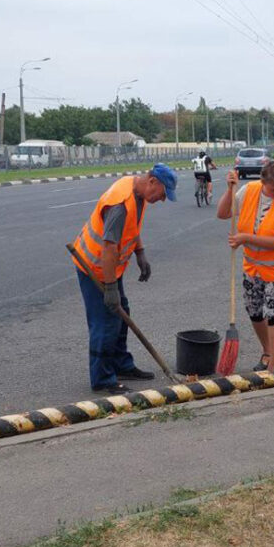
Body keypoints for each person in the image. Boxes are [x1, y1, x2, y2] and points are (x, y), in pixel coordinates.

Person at [71, 163, 177, 394]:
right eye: (162, 194)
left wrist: (140, 252)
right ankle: (102, 378)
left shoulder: (137, 191)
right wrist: (110, 288)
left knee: (122, 312)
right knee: (106, 321)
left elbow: (132, 227)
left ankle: (121, 365)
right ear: (152, 182)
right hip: (95, 268)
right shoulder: (119, 204)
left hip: (110, 269)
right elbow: (109, 248)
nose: (162, 200)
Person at [217, 160, 274, 373]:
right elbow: (223, 213)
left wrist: (245, 238)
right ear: (263, 182)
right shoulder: (249, 191)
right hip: (253, 267)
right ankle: (267, 351)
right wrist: (229, 189)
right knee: (254, 311)